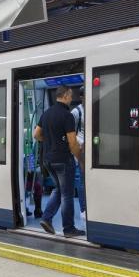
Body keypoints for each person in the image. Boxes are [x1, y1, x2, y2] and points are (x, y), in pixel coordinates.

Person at [33, 86, 85, 237]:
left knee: (59, 189)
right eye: (70, 96)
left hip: (48, 159)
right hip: (63, 160)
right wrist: (80, 158)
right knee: (67, 194)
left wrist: (50, 141)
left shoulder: (46, 113)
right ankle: (69, 229)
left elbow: (36, 134)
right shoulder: (67, 115)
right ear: (67, 95)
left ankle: (46, 218)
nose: (71, 99)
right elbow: (73, 143)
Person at [71, 87, 86, 218]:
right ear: (81, 97)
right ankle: (83, 209)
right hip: (81, 150)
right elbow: (71, 133)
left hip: (92, 151)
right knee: (82, 180)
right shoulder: (76, 112)